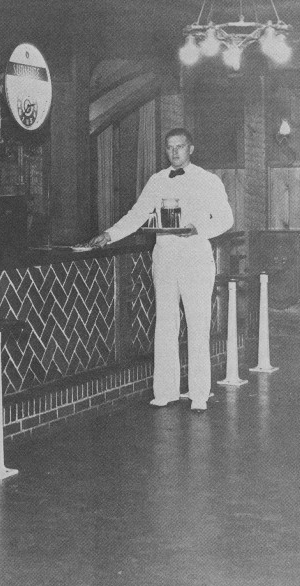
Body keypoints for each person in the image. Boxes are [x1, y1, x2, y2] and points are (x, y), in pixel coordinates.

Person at [85, 128, 234, 412]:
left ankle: (199, 393)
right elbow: (137, 214)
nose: (174, 152)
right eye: (169, 147)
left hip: (196, 261)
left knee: (198, 326)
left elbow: (226, 218)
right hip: (165, 259)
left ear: (191, 148)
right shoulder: (156, 181)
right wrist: (109, 234)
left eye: (180, 146)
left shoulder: (208, 180)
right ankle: (165, 391)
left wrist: (198, 229)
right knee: (165, 325)